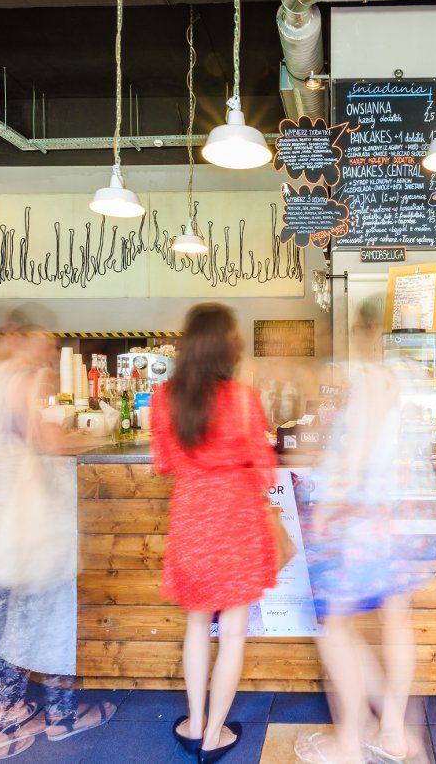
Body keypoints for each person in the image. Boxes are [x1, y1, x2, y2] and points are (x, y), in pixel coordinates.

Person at [0, 315, 113, 762]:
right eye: (43, 343)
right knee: (7, 614)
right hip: (8, 510)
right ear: (20, 339)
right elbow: (45, 440)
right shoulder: (19, 379)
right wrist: (91, 440)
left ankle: (1, 712)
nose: (49, 351)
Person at [295, 298, 436, 764]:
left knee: (335, 625)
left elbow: (359, 449)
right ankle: (393, 732)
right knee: (396, 621)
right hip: (409, 516)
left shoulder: (373, 378)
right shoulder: (413, 373)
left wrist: (328, 505)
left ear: (367, 332)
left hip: (370, 519)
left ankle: (350, 745)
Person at [152, 303, 278, 763]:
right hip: (238, 522)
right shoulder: (243, 398)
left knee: (196, 626)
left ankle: (194, 722)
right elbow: (266, 471)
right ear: (229, 347)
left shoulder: (164, 397)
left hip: (191, 521)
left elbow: (163, 463)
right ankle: (213, 735)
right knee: (234, 634)